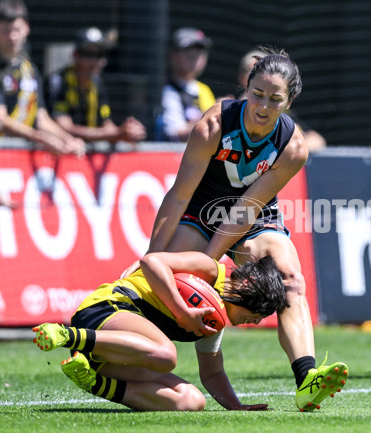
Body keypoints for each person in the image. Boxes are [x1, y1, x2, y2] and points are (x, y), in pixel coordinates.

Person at [122, 47, 348, 411]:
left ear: (288, 103)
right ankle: (107, 350)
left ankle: (306, 377)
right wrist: (153, 256)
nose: (262, 106)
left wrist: (209, 264)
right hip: (200, 211)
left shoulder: (293, 147)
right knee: (160, 285)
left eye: (274, 99)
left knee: (290, 279)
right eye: (256, 93)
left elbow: (247, 209)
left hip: (254, 217)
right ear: (246, 86)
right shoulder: (213, 125)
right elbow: (179, 195)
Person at [33, 251, 290, 411]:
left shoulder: (214, 321)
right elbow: (151, 261)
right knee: (166, 355)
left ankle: (95, 382)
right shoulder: (210, 269)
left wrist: (236, 406)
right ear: (247, 287)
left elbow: (212, 373)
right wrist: (182, 312)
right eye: (259, 314)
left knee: (190, 401)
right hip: (106, 310)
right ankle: (67, 335)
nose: (256, 322)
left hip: (108, 353)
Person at [0, 0, 85, 157]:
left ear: (27, 28)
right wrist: (40, 138)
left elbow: (41, 117)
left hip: (21, 157)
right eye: (6, 30)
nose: (12, 36)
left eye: (16, 29)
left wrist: (68, 139)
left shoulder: (30, 70)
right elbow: (0, 120)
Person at [44, 27, 147, 144]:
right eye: (88, 54)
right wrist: (118, 133)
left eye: (99, 54)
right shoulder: (57, 82)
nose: (94, 61)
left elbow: (107, 125)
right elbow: (64, 128)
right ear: (75, 55)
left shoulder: (97, 84)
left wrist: (129, 130)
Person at [237, 49, 326, 152]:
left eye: (275, 99)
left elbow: (317, 139)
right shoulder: (225, 117)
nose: (264, 107)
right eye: (257, 70)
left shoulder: (283, 114)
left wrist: (290, 147)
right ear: (244, 80)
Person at [155, 28, 217, 142]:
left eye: (199, 51)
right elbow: (175, 135)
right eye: (188, 51)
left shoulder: (204, 90)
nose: (195, 57)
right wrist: (213, 114)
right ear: (172, 55)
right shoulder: (166, 91)